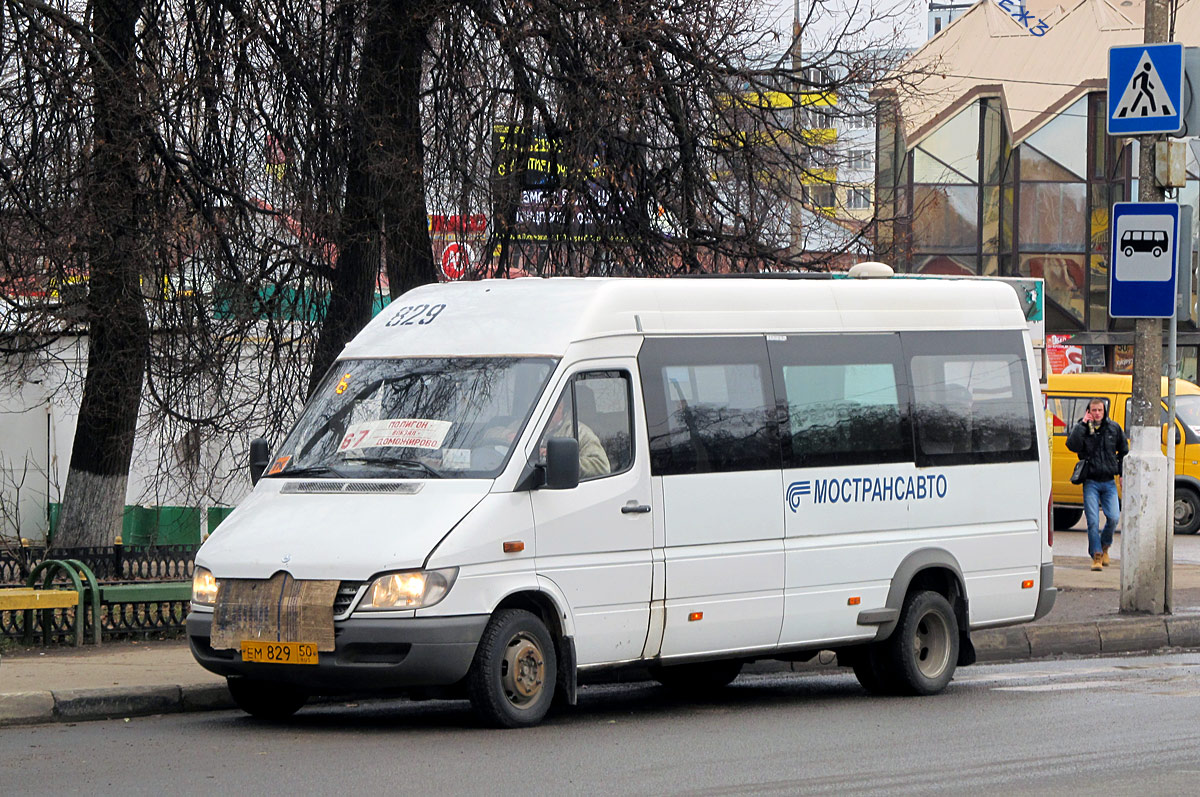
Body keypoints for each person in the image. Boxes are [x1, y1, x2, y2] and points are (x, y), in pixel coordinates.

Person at [1066, 398, 1128, 571]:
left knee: (1114, 517)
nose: (1097, 413)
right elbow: (1072, 445)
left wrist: (1122, 474)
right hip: (1091, 482)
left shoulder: (1113, 428)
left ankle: (1105, 545)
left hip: (1108, 481)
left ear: (1104, 411)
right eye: (1094, 410)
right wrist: (1082, 425)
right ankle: (1097, 556)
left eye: (1100, 410)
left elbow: (1124, 451)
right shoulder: (1083, 428)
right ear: (1088, 411)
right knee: (1092, 521)